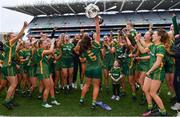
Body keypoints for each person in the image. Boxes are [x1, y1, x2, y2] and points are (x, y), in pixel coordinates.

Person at [136, 29, 168, 116]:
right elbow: (142, 51)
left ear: (159, 37)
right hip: (151, 71)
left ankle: (163, 111)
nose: (152, 36)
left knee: (153, 93)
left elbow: (158, 62)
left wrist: (149, 71)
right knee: (145, 89)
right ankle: (151, 107)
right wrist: (137, 40)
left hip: (158, 72)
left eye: (154, 34)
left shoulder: (160, 47)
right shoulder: (153, 45)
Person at [2, 21, 28, 109]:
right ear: (9, 38)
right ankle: (6, 101)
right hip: (8, 66)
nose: (14, 37)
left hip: (9, 65)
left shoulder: (11, 45)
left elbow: (14, 51)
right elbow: (19, 36)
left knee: (14, 83)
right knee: (13, 84)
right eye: (13, 36)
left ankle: (11, 100)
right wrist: (24, 27)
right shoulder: (9, 42)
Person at [79, 16, 102, 109]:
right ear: (90, 40)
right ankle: (93, 103)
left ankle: (81, 99)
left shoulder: (84, 49)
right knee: (96, 86)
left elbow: (82, 60)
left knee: (86, 84)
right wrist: (96, 21)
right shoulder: (96, 44)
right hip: (97, 69)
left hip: (88, 69)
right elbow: (98, 31)